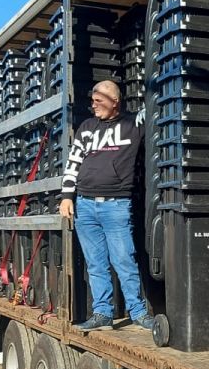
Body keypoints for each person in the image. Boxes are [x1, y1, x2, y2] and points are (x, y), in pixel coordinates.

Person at [58, 79, 153, 332]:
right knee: (96, 264)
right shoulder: (87, 127)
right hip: (84, 205)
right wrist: (66, 196)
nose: (94, 105)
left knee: (124, 260)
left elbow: (155, 107)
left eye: (99, 101)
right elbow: (73, 162)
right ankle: (102, 313)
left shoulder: (133, 124)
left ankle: (138, 312)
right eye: (93, 101)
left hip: (116, 205)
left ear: (115, 102)